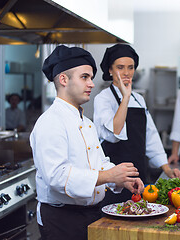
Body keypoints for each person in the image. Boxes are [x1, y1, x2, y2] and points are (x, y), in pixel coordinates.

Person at [30, 45, 144, 240]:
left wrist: (122, 178)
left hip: (90, 214)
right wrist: (109, 175)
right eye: (85, 77)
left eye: (91, 78)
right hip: (62, 220)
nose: (91, 83)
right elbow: (57, 177)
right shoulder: (51, 122)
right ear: (63, 79)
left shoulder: (86, 122)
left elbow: (99, 162)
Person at [93, 44, 180, 204]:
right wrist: (125, 98)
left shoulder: (138, 99)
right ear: (110, 70)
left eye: (131, 67)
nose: (126, 73)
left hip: (138, 175)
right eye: (120, 67)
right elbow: (114, 134)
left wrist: (166, 169)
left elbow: (150, 136)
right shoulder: (103, 99)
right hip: (114, 179)